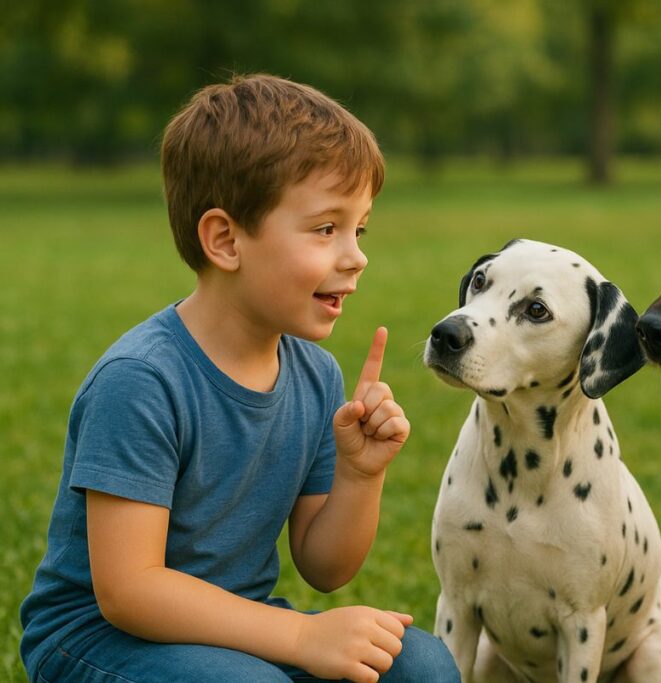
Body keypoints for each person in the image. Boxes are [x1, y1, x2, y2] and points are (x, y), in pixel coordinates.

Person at [19, 74, 459, 683]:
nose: (356, 255)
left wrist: (361, 474)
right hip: (99, 639)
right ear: (226, 240)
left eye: (360, 230)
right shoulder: (142, 380)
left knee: (422, 665)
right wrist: (302, 634)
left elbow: (324, 567)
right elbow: (129, 590)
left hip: (238, 629)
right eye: (326, 228)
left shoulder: (314, 373)